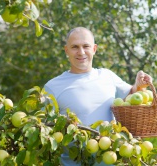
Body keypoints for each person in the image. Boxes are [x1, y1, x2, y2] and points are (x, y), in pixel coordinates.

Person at [43, 27, 153, 166]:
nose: (81, 52)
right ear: (66, 50)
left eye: (86, 46)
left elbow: (130, 97)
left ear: (94, 49)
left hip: (111, 161)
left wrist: (138, 85)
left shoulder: (107, 76)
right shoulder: (52, 87)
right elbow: (45, 129)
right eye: (75, 47)